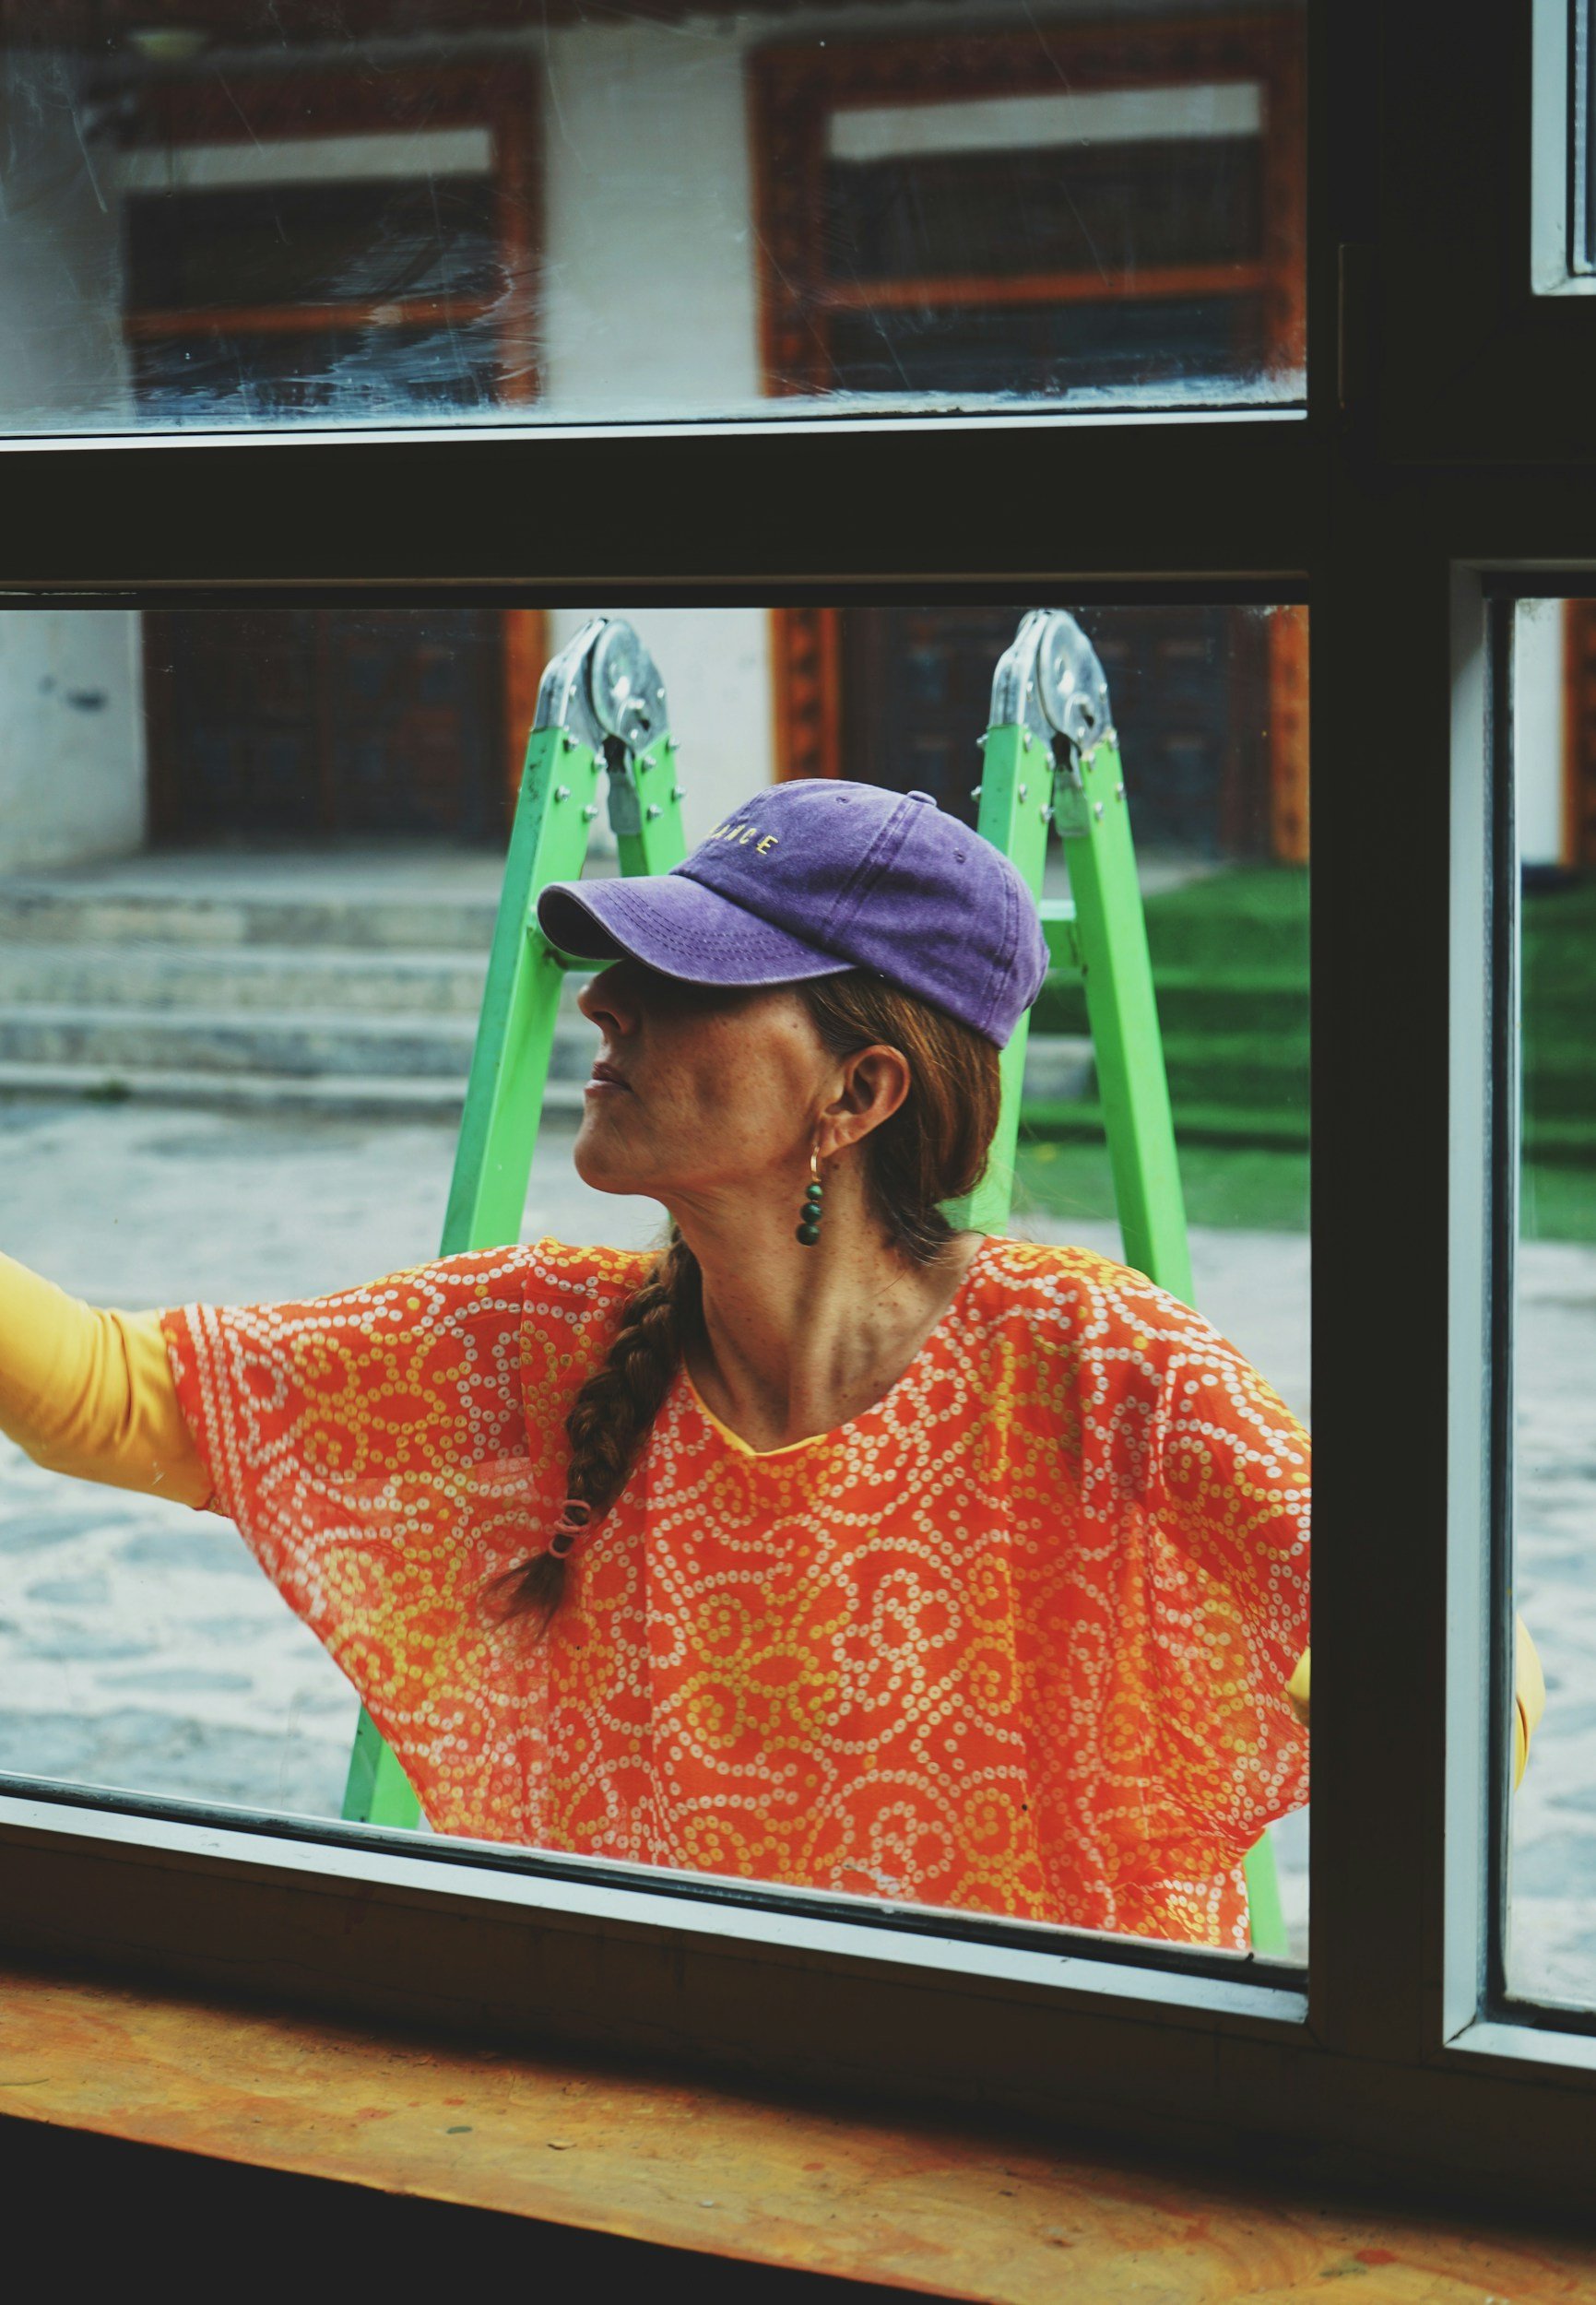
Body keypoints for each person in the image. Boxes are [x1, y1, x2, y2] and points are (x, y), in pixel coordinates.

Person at [4, 779, 1330, 1949]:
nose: (602, 1000)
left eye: (689, 977)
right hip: (644, 2107)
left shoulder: (1098, 1368)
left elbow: (1450, 1667)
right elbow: (113, 1398)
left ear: (860, 1093)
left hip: (1031, 2143)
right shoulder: (535, 1344)